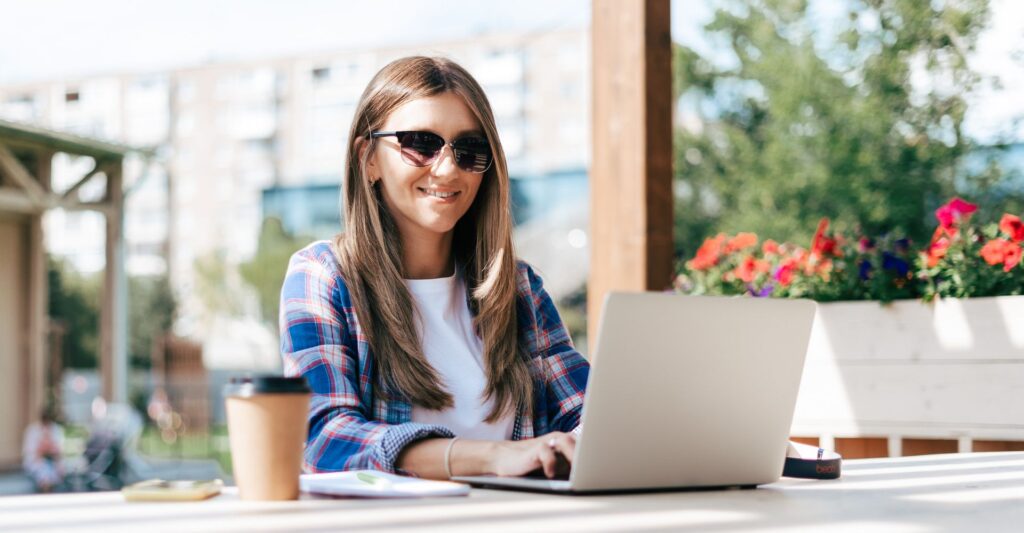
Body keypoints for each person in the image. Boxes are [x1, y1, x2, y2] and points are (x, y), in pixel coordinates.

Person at [280, 56, 589, 480]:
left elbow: (586, 411)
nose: (446, 168)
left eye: (470, 150)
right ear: (367, 158)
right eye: (420, 144)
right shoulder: (324, 276)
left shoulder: (517, 288)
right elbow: (322, 440)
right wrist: (492, 457)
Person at [22, 406, 65, 492]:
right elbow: (30, 451)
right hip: (37, 461)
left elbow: (58, 450)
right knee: (43, 472)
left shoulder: (56, 429)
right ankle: (45, 487)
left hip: (53, 461)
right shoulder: (32, 430)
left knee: (55, 471)